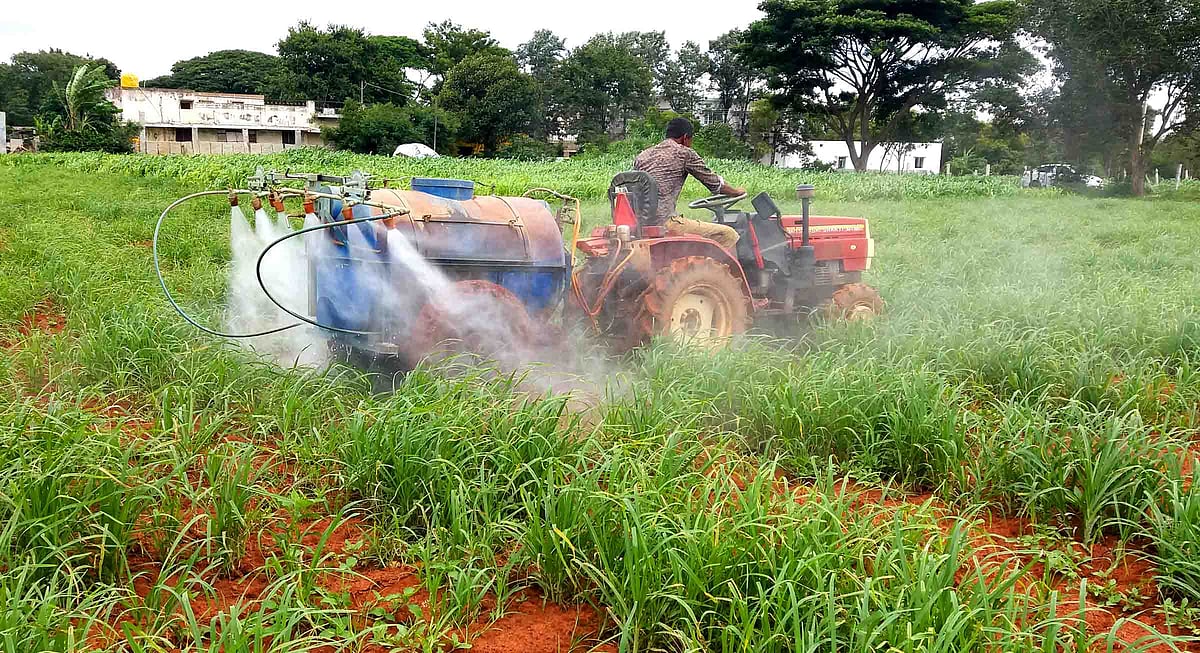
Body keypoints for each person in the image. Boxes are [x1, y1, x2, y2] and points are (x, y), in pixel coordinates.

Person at [633, 117, 746, 250]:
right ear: (685, 137)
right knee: (728, 234)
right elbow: (715, 184)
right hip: (666, 223)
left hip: (641, 224)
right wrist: (737, 192)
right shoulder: (684, 153)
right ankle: (717, 270)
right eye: (691, 140)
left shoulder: (642, 156)